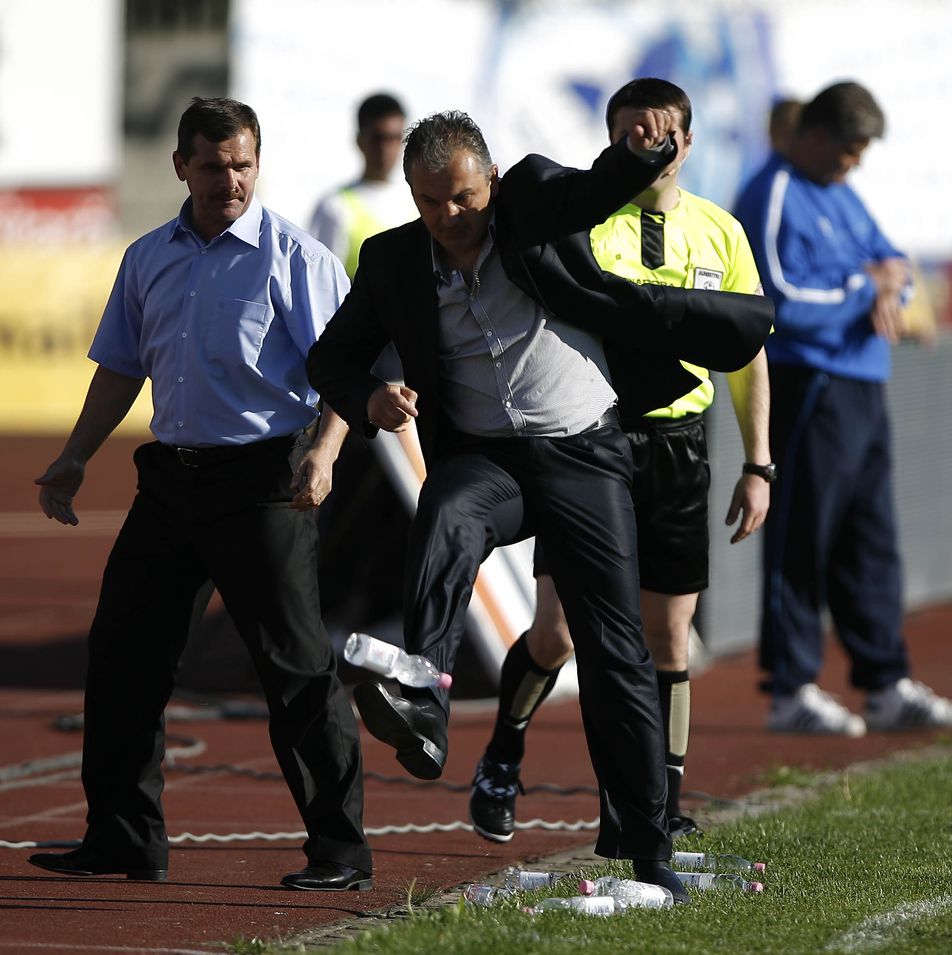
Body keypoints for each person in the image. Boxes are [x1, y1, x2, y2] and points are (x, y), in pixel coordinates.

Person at [307, 109, 773, 902]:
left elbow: (600, 187)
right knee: (446, 512)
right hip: (487, 459)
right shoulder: (391, 260)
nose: (448, 216)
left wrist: (643, 152)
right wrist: (371, 397)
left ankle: (648, 846)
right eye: (428, 201)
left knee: (615, 650)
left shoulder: (530, 201)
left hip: (584, 452)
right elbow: (331, 358)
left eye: (462, 196)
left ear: (490, 180)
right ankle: (424, 690)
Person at [27, 97, 373, 892]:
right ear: (181, 166)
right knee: (122, 654)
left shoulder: (296, 258)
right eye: (214, 166)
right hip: (169, 482)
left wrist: (324, 455)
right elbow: (120, 365)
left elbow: (346, 374)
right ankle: (123, 838)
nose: (231, 181)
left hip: (266, 483)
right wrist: (75, 455)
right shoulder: (148, 256)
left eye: (243, 165)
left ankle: (341, 851)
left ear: (259, 164)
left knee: (295, 669)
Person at [467, 78, 772, 845]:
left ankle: (661, 803)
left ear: (688, 142)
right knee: (558, 633)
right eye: (631, 135)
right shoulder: (584, 221)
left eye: (662, 135)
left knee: (670, 636)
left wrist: (759, 464)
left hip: (679, 448)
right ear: (609, 144)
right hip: (587, 443)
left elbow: (746, 354)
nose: (649, 148)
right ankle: (503, 752)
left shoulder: (722, 232)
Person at [734, 81, 952, 736]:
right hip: (812, 384)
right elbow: (777, 298)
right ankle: (790, 690)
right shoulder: (774, 191)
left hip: (864, 383)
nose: (855, 165)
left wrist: (887, 288)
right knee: (802, 536)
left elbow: (897, 264)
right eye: (849, 151)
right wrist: (864, 290)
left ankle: (885, 682)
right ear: (814, 136)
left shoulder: (842, 192)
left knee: (871, 538)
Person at [308, 92, 419, 279]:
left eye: (394, 138)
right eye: (378, 138)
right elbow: (323, 283)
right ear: (360, 140)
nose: (386, 149)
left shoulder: (418, 200)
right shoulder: (334, 206)